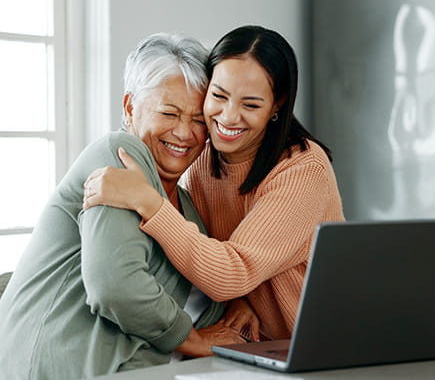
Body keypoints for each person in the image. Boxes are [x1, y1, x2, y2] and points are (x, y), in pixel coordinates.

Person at [0, 33, 252, 380]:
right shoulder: (120, 154)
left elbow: (193, 283)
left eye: (198, 120)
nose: (185, 133)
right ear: (130, 107)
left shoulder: (184, 199)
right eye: (169, 112)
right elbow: (114, 285)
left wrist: (233, 307)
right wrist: (192, 340)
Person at [83, 25, 345, 341]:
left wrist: (150, 202)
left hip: (323, 347)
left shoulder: (302, 169)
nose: (228, 117)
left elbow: (232, 272)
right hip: (257, 349)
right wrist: (237, 304)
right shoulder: (202, 157)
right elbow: (198, 251)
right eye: (218, 96)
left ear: (277, 105)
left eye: (250, 104)